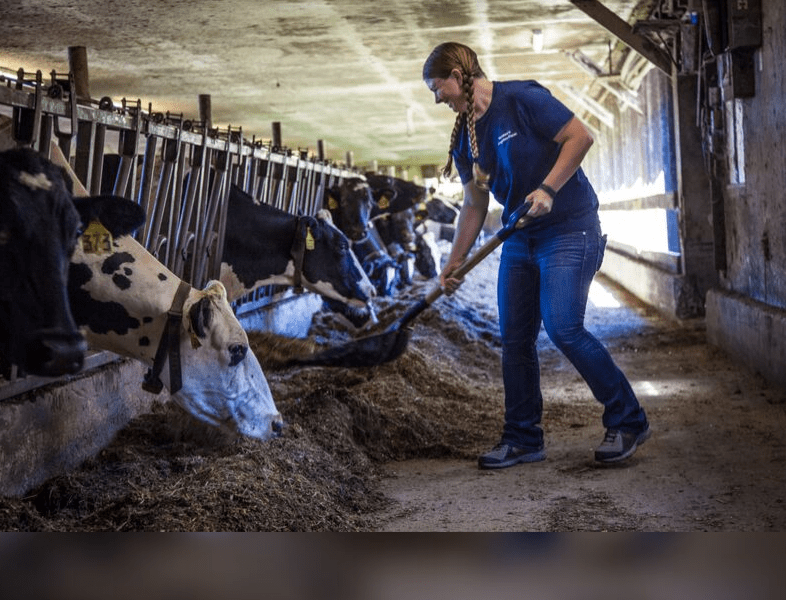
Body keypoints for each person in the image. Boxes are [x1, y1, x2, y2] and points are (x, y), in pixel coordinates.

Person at [422, 42, 650, 468]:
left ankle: (628, 418)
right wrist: (453, 261)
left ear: (458, 75)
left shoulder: (521, 99)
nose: (438, 99)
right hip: (519, 238)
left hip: (569, 227)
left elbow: (580, 136)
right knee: (515, 340)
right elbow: (474, 205)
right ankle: (523, 437)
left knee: (564, 327)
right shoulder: (465, 137)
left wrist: (548, 189)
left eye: (438, 88)